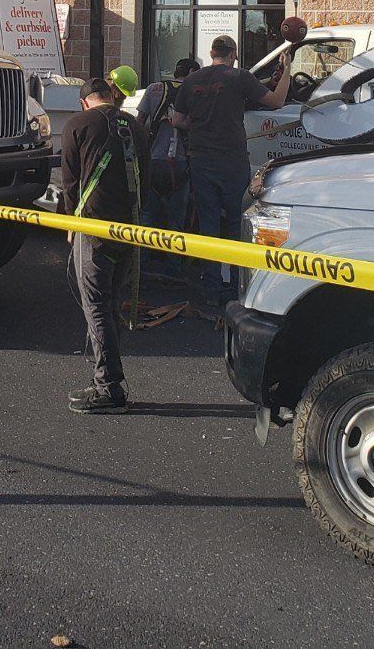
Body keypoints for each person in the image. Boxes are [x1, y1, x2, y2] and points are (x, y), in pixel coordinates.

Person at [171, 34, 291, 306]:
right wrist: (288, 71)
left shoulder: (191, 81)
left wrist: (202, 124)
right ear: (234, 54)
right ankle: (239, 285)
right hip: (232, 159)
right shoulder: (239, 77)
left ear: (211, 52)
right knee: (238, 221)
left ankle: (212, 286)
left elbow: (178, 120)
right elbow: (276, 102)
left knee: (209, 221)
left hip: (201, 159)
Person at [56, 75, 137, 414]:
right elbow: (143, 172)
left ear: (84, 101)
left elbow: (70, 181)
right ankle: (103, 376)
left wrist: (69, 223)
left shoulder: (77, 124)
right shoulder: (134, 125)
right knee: (113, 302)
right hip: (130, 228)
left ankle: (109, 386)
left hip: (93, 225)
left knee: (96, 304)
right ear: (110, 96)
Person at [135, 56, 197, 282]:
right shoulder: (194, 91)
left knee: (147, 215)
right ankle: (173, 268)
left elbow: (140, 123)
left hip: (154, 162)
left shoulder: (154, 89)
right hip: (180, 165)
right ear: (190, 72)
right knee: (175, 221)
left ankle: (142, 264)